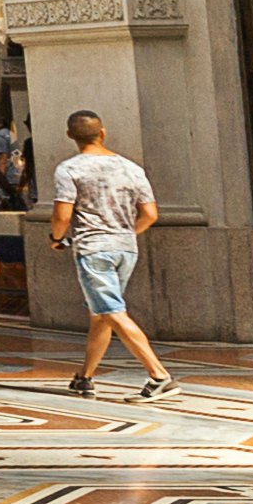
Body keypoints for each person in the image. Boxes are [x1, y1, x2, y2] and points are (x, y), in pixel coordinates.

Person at [49, 109, 175, 398]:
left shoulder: (69, 169)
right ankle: (85, 376)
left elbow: (62, 215)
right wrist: (127, 233)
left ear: (70, 136)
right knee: (101, 313)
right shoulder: (131, 168)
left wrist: (56, 238)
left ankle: (159, 375)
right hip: (126, 248)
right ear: (103, 132)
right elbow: (150, 214)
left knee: (112, 311)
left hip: (93, 248)